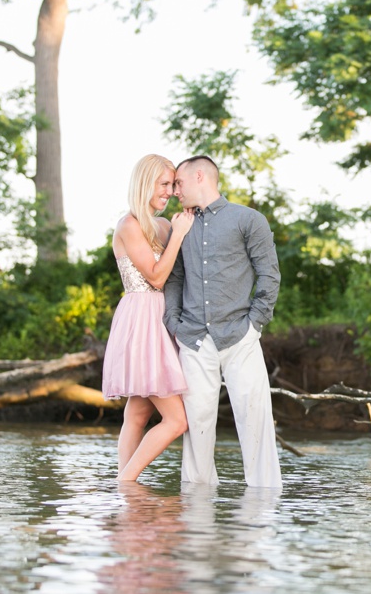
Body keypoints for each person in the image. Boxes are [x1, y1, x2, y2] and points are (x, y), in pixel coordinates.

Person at [163, 155, 282, 488]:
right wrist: (173, 322)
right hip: (193, 337)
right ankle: (197, 512)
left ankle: (263, 506)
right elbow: (175, 277)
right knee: (197, 424)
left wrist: (255, 323)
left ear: (200, 176)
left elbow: (269, 274)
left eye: (179, 183)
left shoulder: (248, 219)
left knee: (255, 419)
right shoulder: (179, 225)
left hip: (240, 335)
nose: (175, 191)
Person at [103, 153, 195, 481]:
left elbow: (179, 270)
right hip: (142, 320)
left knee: (139, 411)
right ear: (146, 183)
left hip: (163, 315)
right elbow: (156, 277)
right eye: (164, 184)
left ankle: (124, 494)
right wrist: (180, 234)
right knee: (176, 420)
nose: (170, 191)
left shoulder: (165, 224)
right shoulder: (129, 225)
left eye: (173, 184)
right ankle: (126, 482)